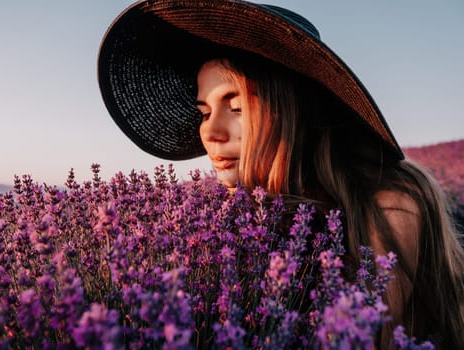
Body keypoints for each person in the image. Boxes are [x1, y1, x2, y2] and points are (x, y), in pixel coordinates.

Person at [97, 0, 464, 347]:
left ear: (294, 111)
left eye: (237, 107)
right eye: (205, 112)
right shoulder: (230, 214)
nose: (210, 132)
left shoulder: (389, 203)